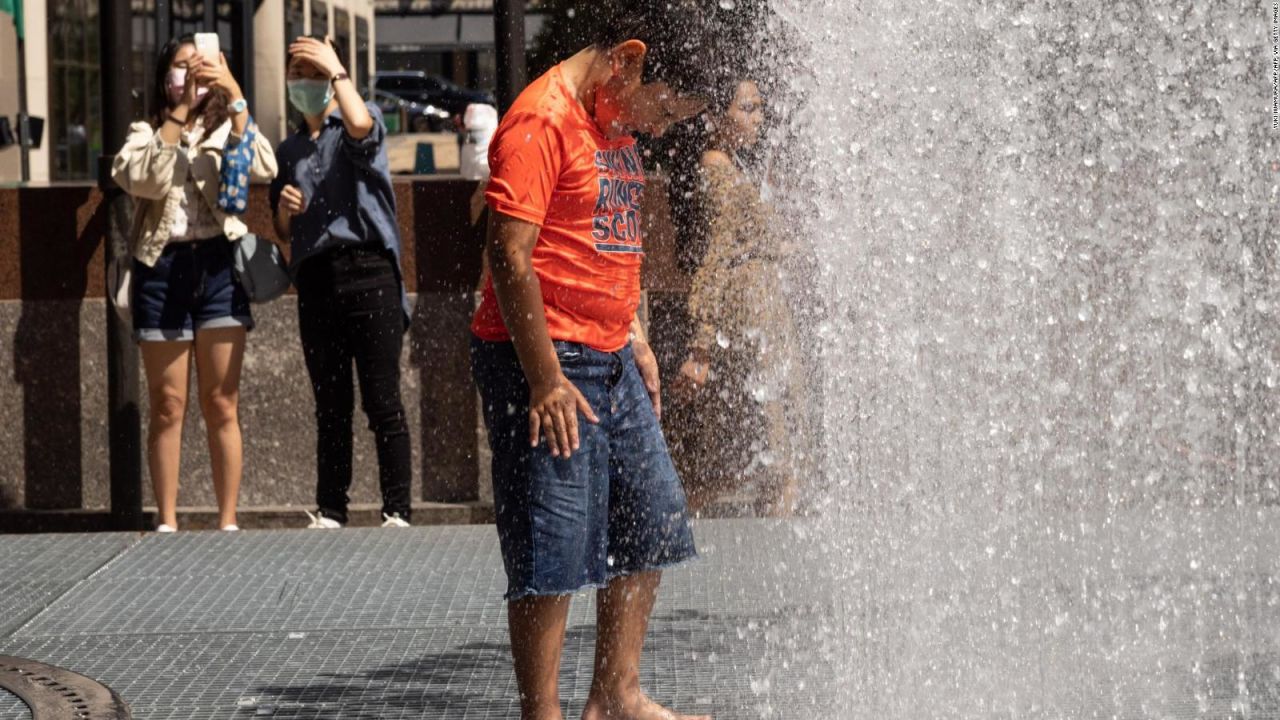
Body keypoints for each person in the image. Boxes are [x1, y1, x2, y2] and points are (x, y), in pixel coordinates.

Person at [469, 4, 713, 719]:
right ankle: (542, 713)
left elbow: (614, 236)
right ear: (626, 61)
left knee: (653, 517)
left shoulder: (612, 119)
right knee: (555, 540)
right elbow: (508, 256)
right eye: (662, 108)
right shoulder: (541, 120)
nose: (660, 128)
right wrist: (544, 380)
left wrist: (635, 331)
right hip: (542, 359)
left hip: (609, 352)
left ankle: (615, 695)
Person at [112, 34, 277, 533]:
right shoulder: (147, 131)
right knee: (167, 404)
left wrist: (235, 95)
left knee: (221, 401)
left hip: (220, 268)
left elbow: (264, 166)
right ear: (165, 77)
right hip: (161, 269)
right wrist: (179, 114)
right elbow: (144, 180)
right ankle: (167, 520)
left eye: (200, 65)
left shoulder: (230, 127)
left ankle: (227, 520)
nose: (190, 74)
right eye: (180, 67)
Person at [270, 36, 413, 530]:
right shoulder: (288, 148)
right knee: (330, 405)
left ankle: (397, 508)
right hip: (315, 278)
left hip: (370, 272)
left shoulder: (356, 116)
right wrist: (285, 214)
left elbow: (360, 126)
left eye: (313, 74)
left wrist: (337, 70)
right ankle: (332, 508)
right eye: (297, 75)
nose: (304, 84)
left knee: (382, 398)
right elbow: (284, 231)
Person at [667, 78, 809, 516]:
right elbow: (719, 251)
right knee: (773, 450)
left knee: (775, 450)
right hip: (749, 317)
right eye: (747, 109)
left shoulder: (733, 166)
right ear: (715, 116)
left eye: (759, 108)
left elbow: (746, 241)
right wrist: (701, 344)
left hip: (763, 314)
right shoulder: (715, 168)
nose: (758, 118)